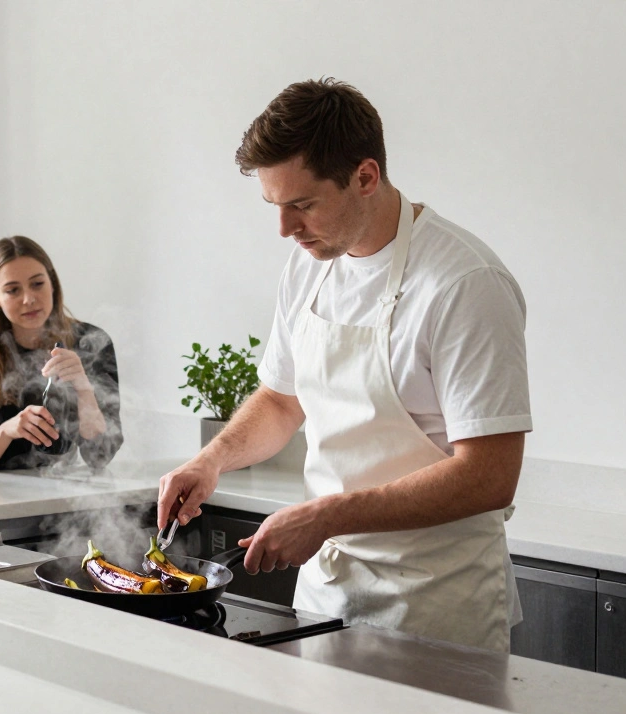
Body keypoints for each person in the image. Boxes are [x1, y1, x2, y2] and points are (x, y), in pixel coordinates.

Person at [159, 79, 531, 652]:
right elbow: (283, 400)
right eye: (275, 206)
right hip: (327, 597)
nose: (285, 228)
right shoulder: (310, 264)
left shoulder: (465, 283)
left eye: (302, 205)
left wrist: (327, 515)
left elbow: (489, 473)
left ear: (365, 177)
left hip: (437, 608)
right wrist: (211, 461)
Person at [0, 236, 123, 473]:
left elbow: (100, 456)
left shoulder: (91, 342)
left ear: (52, 283)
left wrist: (83, 387)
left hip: (68, 495)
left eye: (37, 284)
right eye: (12, 290)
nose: (29, 299)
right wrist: (7, 431)